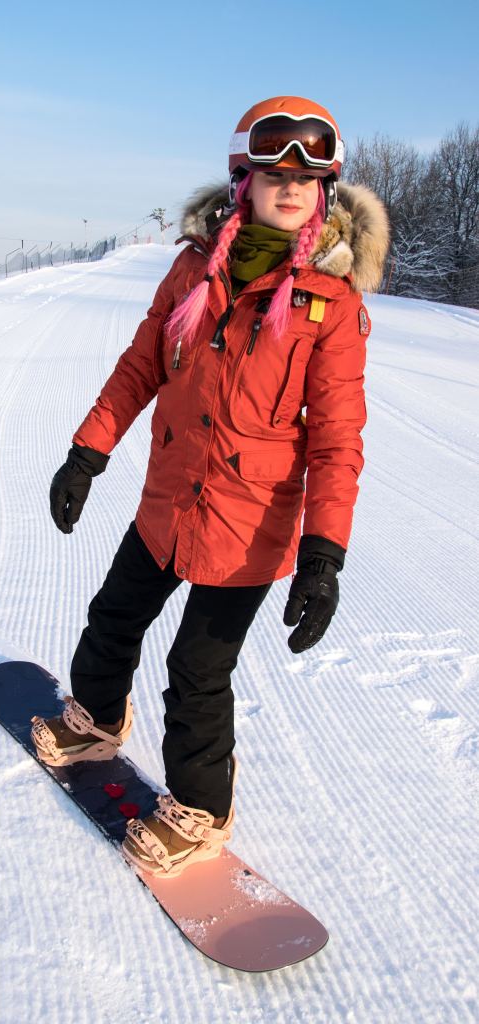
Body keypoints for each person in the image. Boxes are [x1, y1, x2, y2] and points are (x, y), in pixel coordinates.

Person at [32, 96, 389, 878]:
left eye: (307, 176)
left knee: (198, 669)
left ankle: (202, 811)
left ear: (324, 191)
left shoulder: (332, 305)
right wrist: (86, 453)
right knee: (113, 615)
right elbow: (142, 366)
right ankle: (95, 720)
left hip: (253, 522)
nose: (290, 186)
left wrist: (324, 554)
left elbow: (337, 439)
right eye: (273, 172)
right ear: (244, 183)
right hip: (170, 497)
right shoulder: (196, 267)